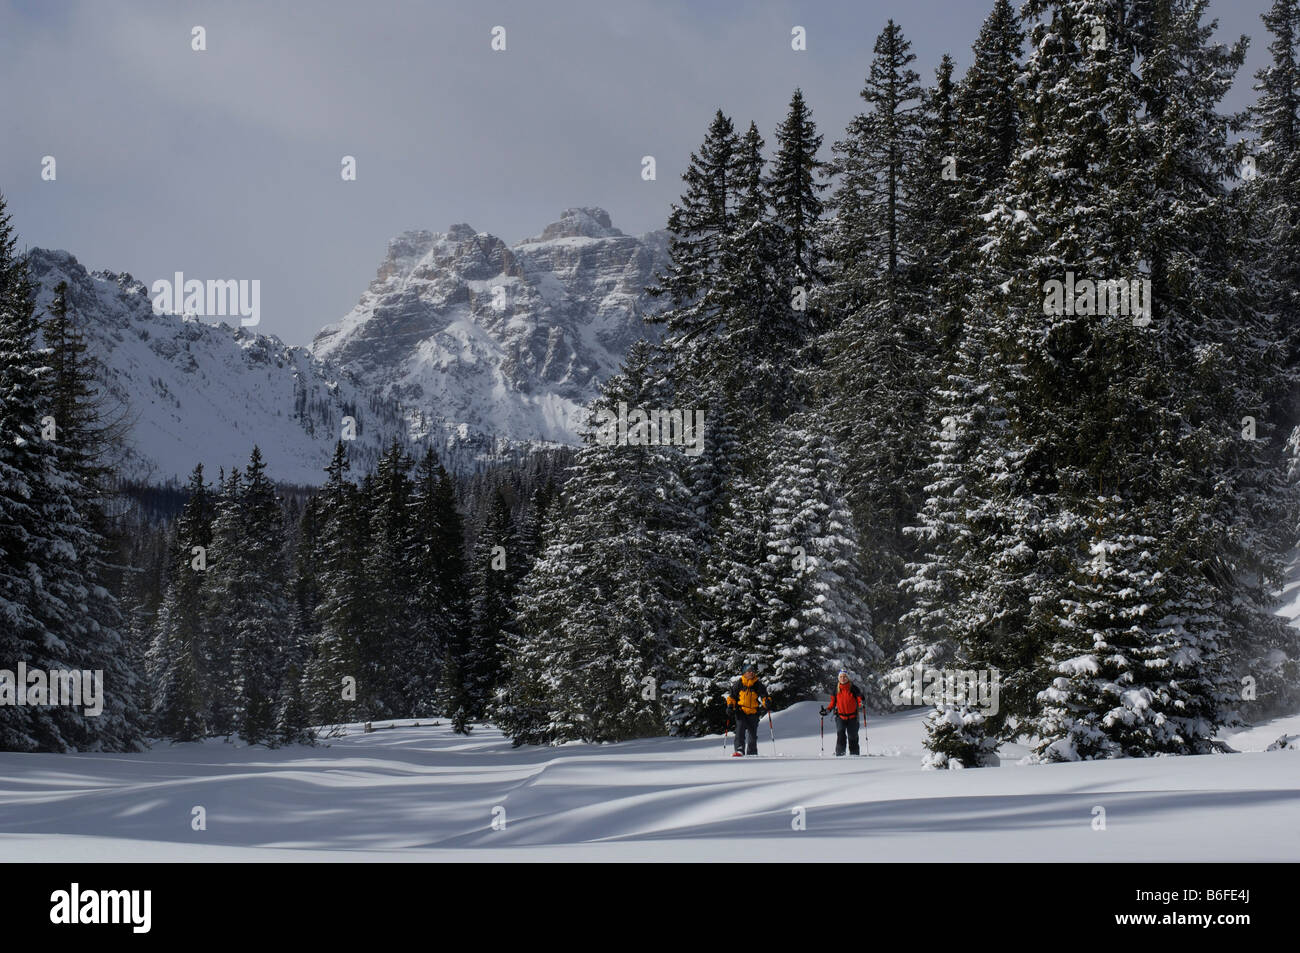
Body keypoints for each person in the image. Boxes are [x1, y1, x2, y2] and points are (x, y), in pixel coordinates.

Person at [726, 666, 770, 757]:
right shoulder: (739, 684)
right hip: (741, 711)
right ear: (744, 673)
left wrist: (767, 702)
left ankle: (752, 752)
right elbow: (732, 697)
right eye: (749, 671)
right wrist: (730, 706)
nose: (751, 673)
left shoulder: (758, 684)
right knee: (739, 731)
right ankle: (739, 750)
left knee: (752, 735)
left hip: (753, 712)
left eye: (753, 671)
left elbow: (764, 695)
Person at [821, 670, 865, 756]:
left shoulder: (853, 688)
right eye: (841, 677)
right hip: (840, 717)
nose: (843, 678)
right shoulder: (836, 689)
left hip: (853, 717)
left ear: (848, 678)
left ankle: (855, 755)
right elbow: (832, 703)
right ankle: (840, 755)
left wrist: (861, 702)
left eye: (844, 676)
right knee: (841, 736)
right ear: (838, 678)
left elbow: (859, 699)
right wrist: (827, 710)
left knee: (853, 737)